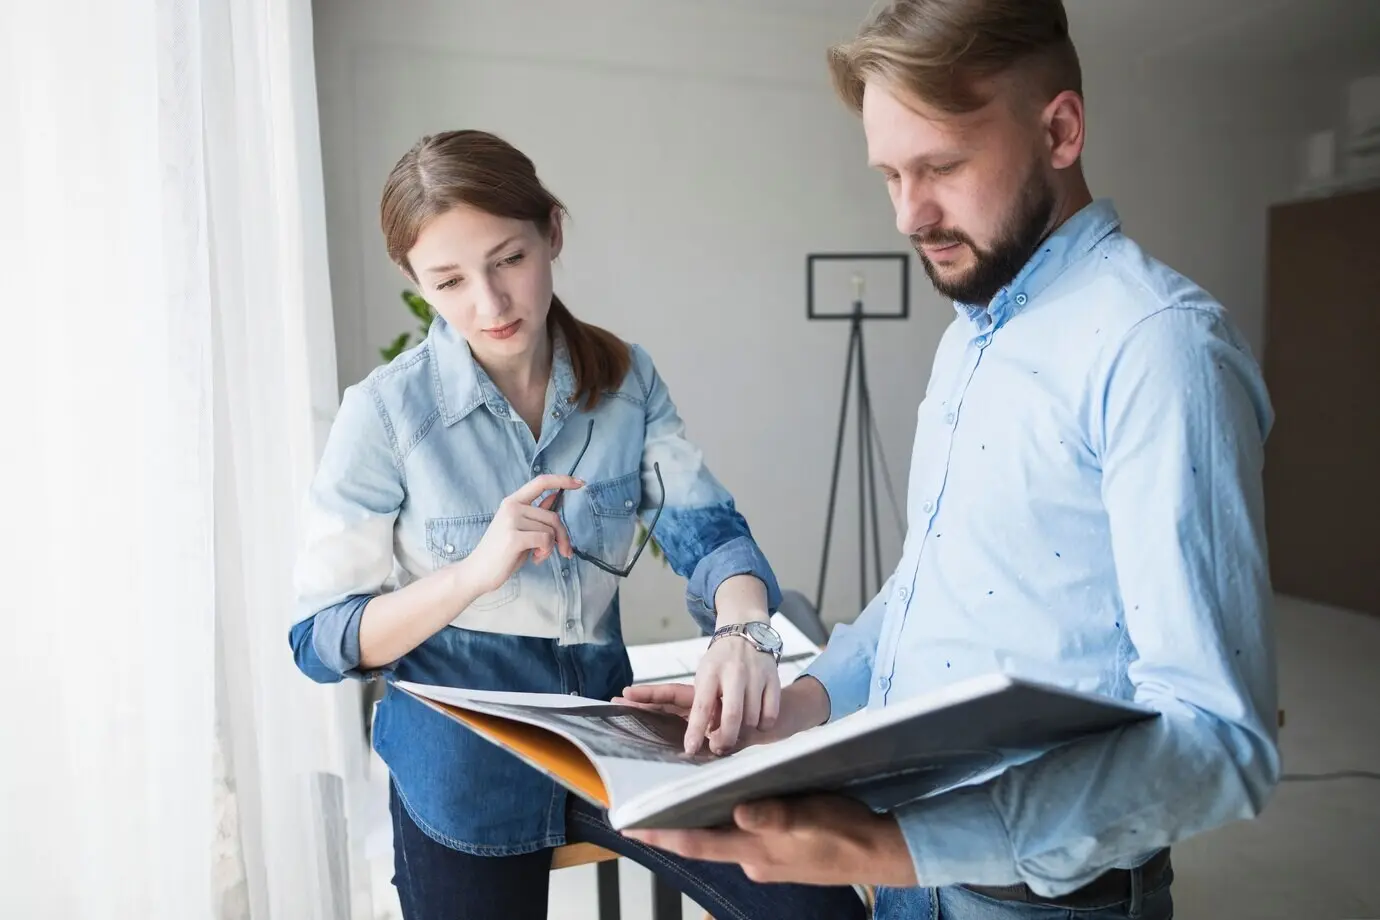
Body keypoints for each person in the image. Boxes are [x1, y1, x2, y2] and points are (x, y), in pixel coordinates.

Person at [620, 2, 1280, 917]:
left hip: (1034, 900)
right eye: (890, 174)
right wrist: (796, 706)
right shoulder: (972, 334)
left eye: (942, 167)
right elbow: (935, 589)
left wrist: (889, 847)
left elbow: (1220, 742)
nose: (908, 213)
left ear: (1060, 131)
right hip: (915, 880)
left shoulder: (1158, 349)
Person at [288, 129, 869, 920]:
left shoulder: (626, 381)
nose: (489, 304)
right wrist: (470, 575)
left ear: (551, 232)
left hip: (609, 736)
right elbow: (320, 637)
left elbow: (706, 529)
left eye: (509, 260)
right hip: (461, 771)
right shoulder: (384, 414)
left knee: (814, 906)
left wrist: (743, 628)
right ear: (414, 279)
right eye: (449, 281)